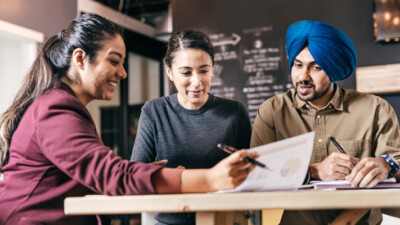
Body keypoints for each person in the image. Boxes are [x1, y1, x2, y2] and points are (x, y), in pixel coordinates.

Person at [0, 14, 257, 225]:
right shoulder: (55, 109)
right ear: (80, 59)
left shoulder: (63, 106)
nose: (123, 73)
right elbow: (113, 174)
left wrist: (150, 173)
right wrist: (210, 178)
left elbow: (101, 175)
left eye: (204, 70)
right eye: (114, 61)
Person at [251, 20, 400, 225]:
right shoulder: (272, 112)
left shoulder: (376, 109)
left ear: (333, 69)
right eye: (297, 65)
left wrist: (386, 165)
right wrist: (314, 171)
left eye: (316, 67)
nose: (303, 76)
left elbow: (397, 163)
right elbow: (255, 172)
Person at [131, 30, 252, 225]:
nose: (197, 82)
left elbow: (251, 175)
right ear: (169, 71)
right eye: (186, 72)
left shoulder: (235, 113)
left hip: (224, 220)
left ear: (213, 68)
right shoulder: (154, 111)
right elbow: (136, 176)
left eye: (204, 71)